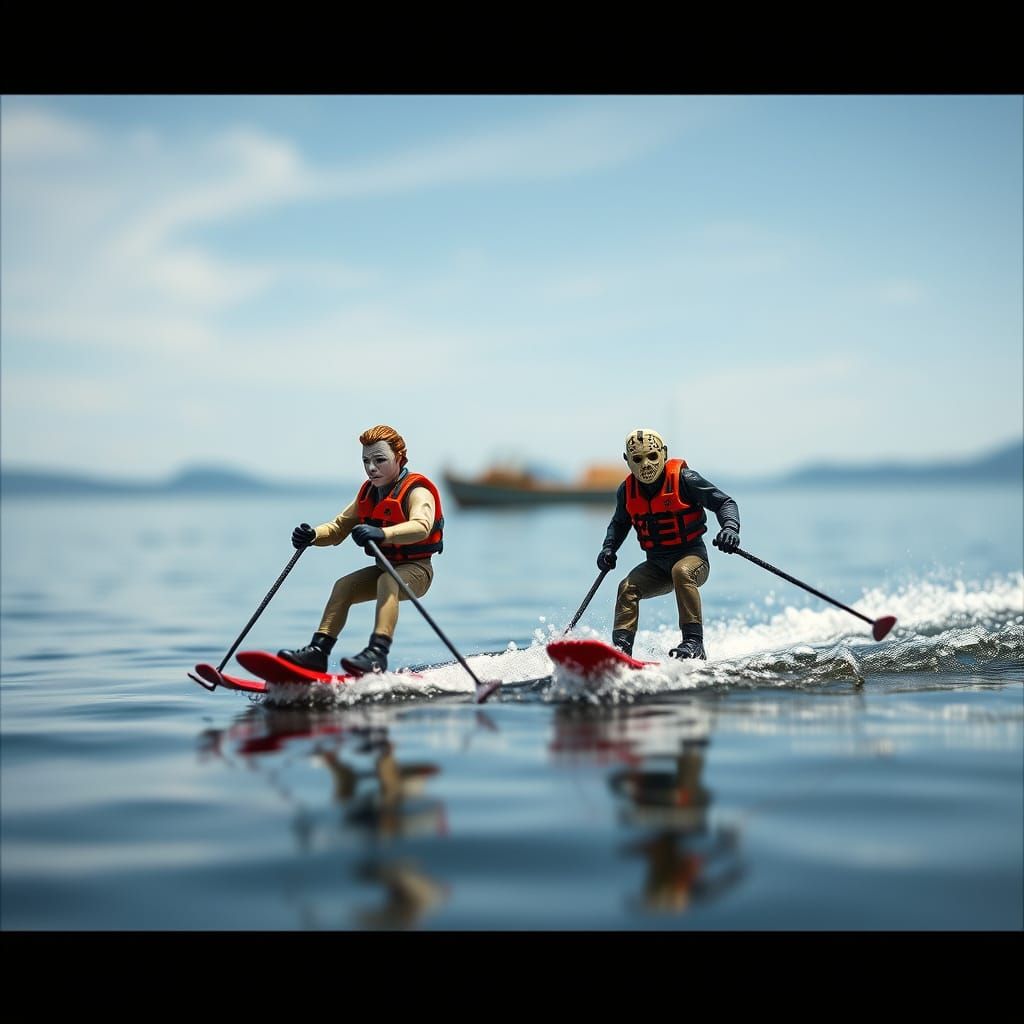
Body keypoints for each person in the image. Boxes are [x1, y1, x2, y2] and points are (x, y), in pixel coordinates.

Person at [278, 425, 444, 675]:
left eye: (380, 460)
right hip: (385, 569)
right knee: (344, 586)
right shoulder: (368, 494)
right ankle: (318, 652)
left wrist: (382, 533)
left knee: (389, 581)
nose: (371, 468)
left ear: (399, 458)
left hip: (418, 571)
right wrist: (312, 535)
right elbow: (338, 528)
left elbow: (422, 526)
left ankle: (377, 653)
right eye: (366, 461)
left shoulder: (417, 492)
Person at [596, 428, 741, 660]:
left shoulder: (685, 480)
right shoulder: (627, 491)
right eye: (637, 459)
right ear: (627, 460)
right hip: (656, 566)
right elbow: (619, 524)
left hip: (693, 558)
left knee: (681, 571)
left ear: (664, 453)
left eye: (652, 456)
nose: (646, 465)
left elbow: (725, 503)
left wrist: (730, 529)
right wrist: (608, 548)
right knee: (627, 587)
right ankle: (621, 652)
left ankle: (694, 643)